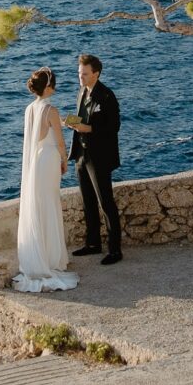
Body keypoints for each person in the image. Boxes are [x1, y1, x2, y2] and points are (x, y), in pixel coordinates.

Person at [12, 67, 77, 293]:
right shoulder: (50, 109)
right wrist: (65, 159)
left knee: (40, 206)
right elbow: (59, 141)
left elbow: (51, 126)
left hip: (36, 162)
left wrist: (71, 120)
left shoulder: (31, 108)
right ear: (49, 86)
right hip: (49, 159)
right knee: (50, 204)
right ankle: (52, 259)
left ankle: (40, 256)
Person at [63, 52, 122, 264]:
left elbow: (113, 126)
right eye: (80, 74)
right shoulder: (82, 92)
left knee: (105, 202)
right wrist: (70, 121)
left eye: (85, 74)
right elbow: (82, 117)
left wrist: (87, 127)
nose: (81, 77)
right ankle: (93, 243)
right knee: (87, 201)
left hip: (100, 156)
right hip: (82, 153)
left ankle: (115, 250)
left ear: (96, 74)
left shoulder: (106, 96)